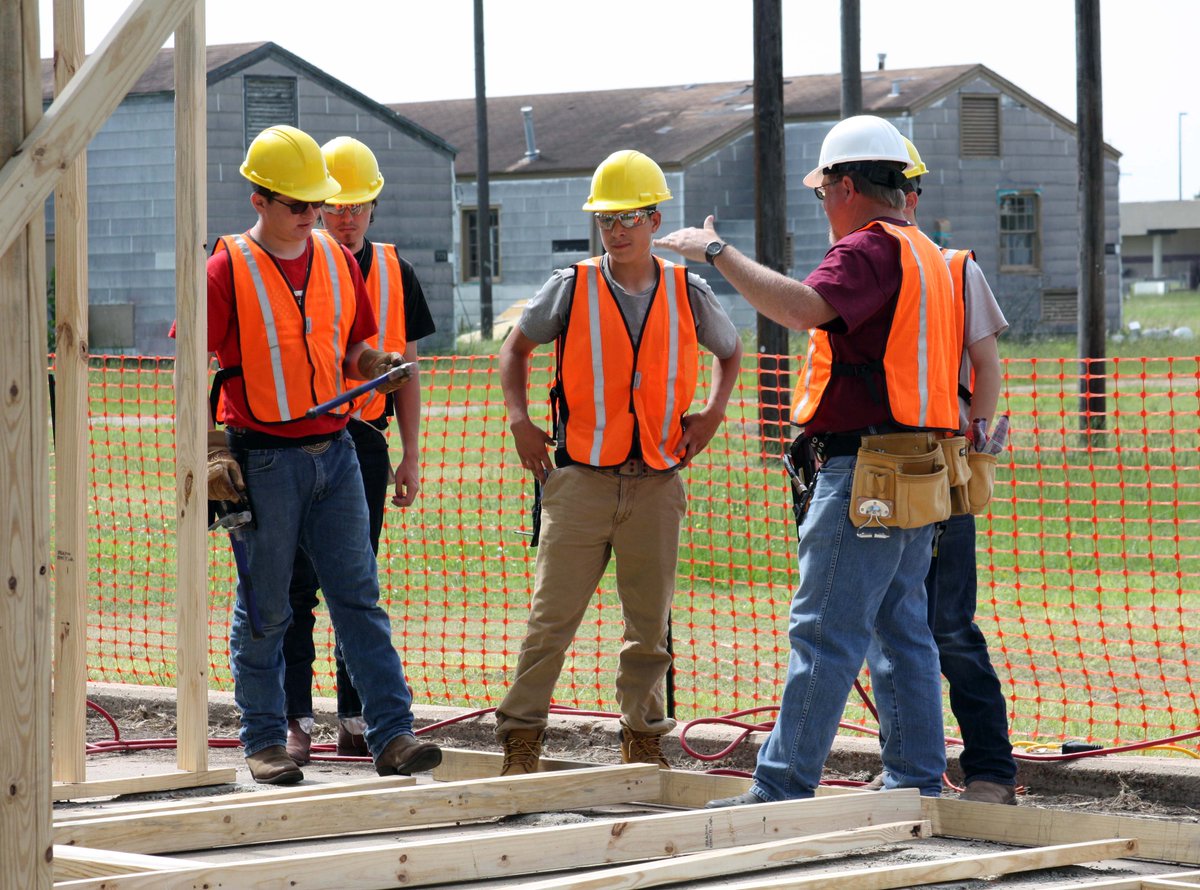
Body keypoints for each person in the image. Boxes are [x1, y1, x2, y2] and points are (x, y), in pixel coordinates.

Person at [654, 115, 961, 805]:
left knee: (823, 631)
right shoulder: (925, 253)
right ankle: (915, 779)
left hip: (869, 472)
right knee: (901, 629)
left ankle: (783, 787)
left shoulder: (869, 251)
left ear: (846, 185)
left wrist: (718, 253)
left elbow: (802, 308)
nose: (823, 206)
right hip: (919, 467)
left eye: (824, 192)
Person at [202, 124, 441, 784]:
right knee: (267, 606)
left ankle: (393, 735)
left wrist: (378, 363)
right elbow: (196, 363)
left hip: (334, 451)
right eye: (300, 205)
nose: (315, 216)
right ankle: (264, 739)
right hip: (264, 461)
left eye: (318, 203)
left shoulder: (336, 261)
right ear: (259, 201)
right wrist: (210, 451)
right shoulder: (225, 269)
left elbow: (354, 346)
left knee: (357, 599)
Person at [494, 149, 743, 775]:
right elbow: (515, 350)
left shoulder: (688, 289)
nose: (617, 229)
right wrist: (521, 421)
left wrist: (711, 413)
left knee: (648, 629)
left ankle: (642, 739)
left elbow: (731, 352)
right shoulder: (570, 286)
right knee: (550, 622)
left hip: (657, 484)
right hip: (579, 481)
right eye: (607, 219)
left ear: (655, 220)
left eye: (630, 217)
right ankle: (521, 740)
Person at [281, 136, 437, 765]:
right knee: (293, 588)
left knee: (355, 585)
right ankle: (294, 719)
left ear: (374, 206)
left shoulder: (396, 271)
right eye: (335, 206)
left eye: (358, 206)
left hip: (365, 443)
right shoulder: (294, 264)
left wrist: (411, 454)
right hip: (293, 441)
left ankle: (354, 717)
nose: (346, 218)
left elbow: (410, 370)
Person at [883, 136, 1016, 804]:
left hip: (945, 469)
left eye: (904, 193)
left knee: (947, 624)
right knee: (887, 624)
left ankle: (991, 770)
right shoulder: (866, 266)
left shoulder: (955, 269)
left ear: (913, 199)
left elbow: (987, 366)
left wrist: (981, 452)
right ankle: (912, 768)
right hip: (880, 470)